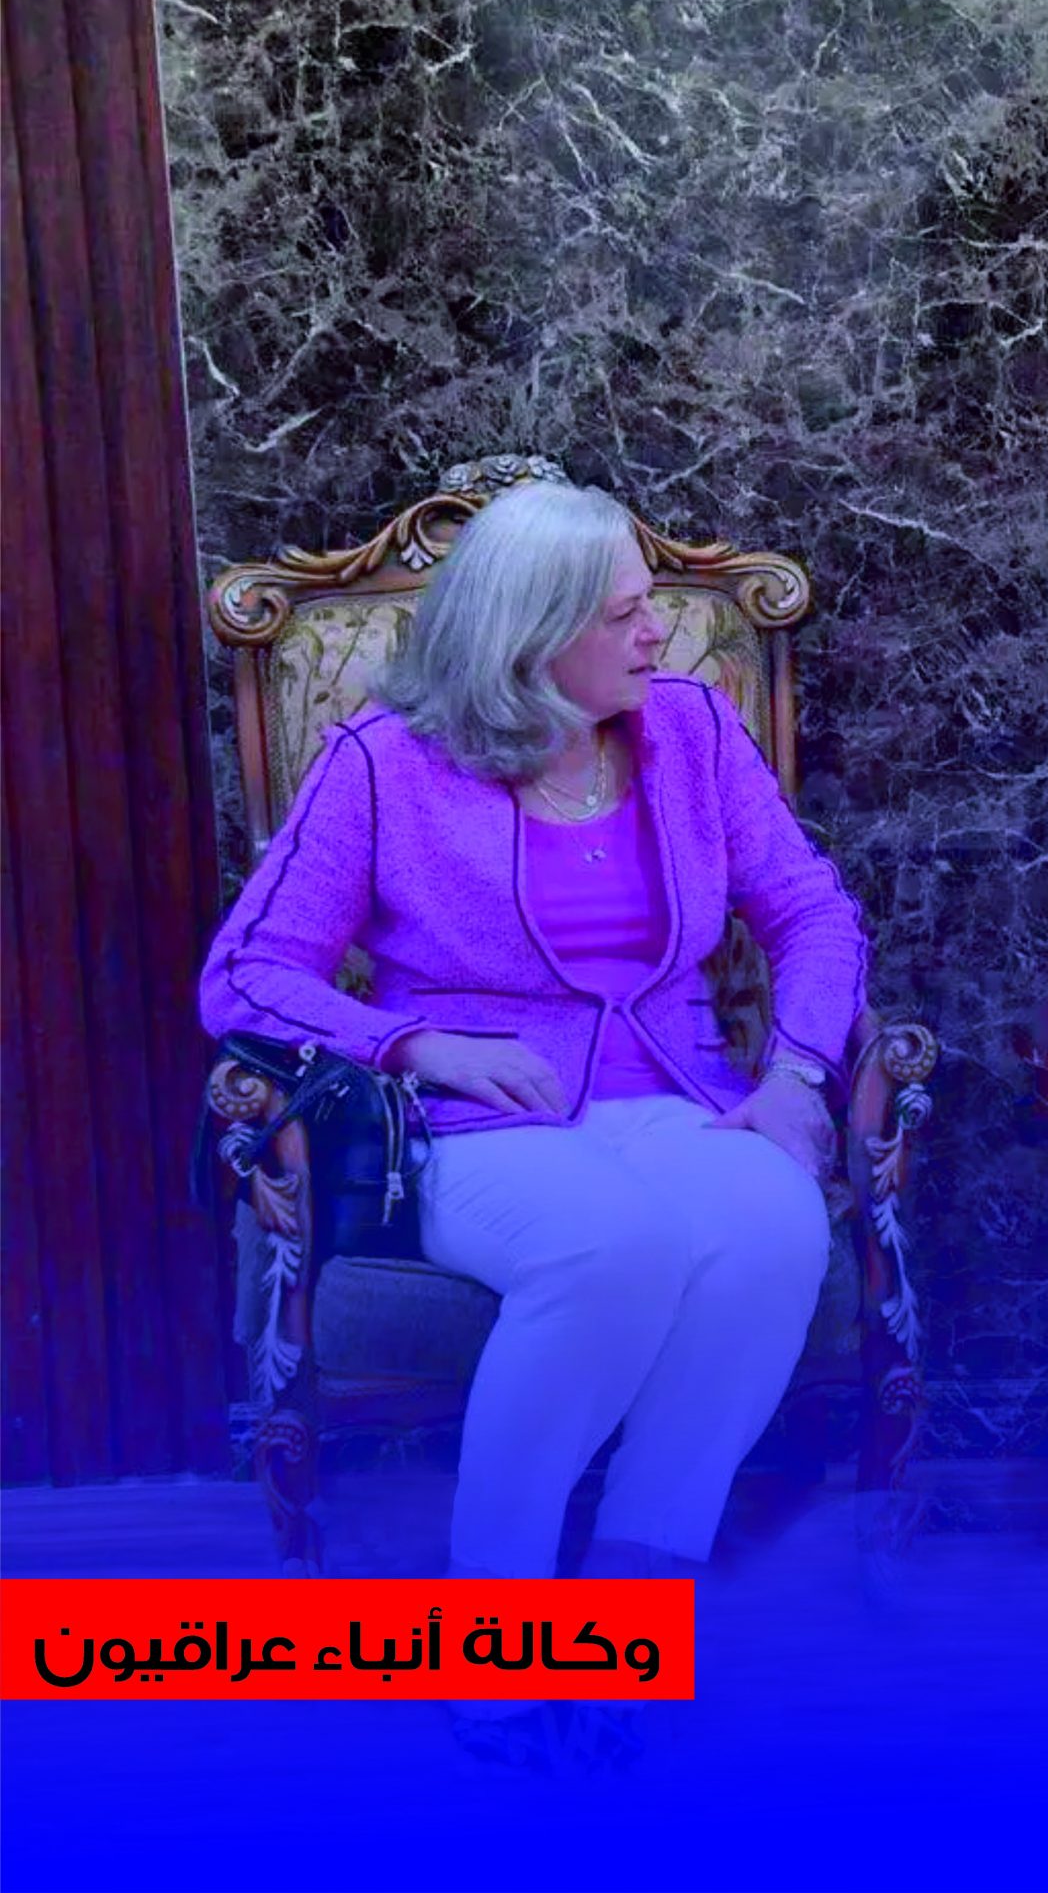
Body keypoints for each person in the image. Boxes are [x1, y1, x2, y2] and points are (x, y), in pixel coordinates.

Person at [200, 478, 866, 1664]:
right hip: (476, 1124)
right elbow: (248, 971)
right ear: (531, 633)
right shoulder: (383, 764)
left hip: (681, 1099)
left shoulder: (694, 729)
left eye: (650, 603)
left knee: (775, 1228)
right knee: (611, 1244)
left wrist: (798, 1072)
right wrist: (411, 1044)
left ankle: (634, 1597)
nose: (657, 631)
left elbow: (810, 911)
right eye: (622, 614)